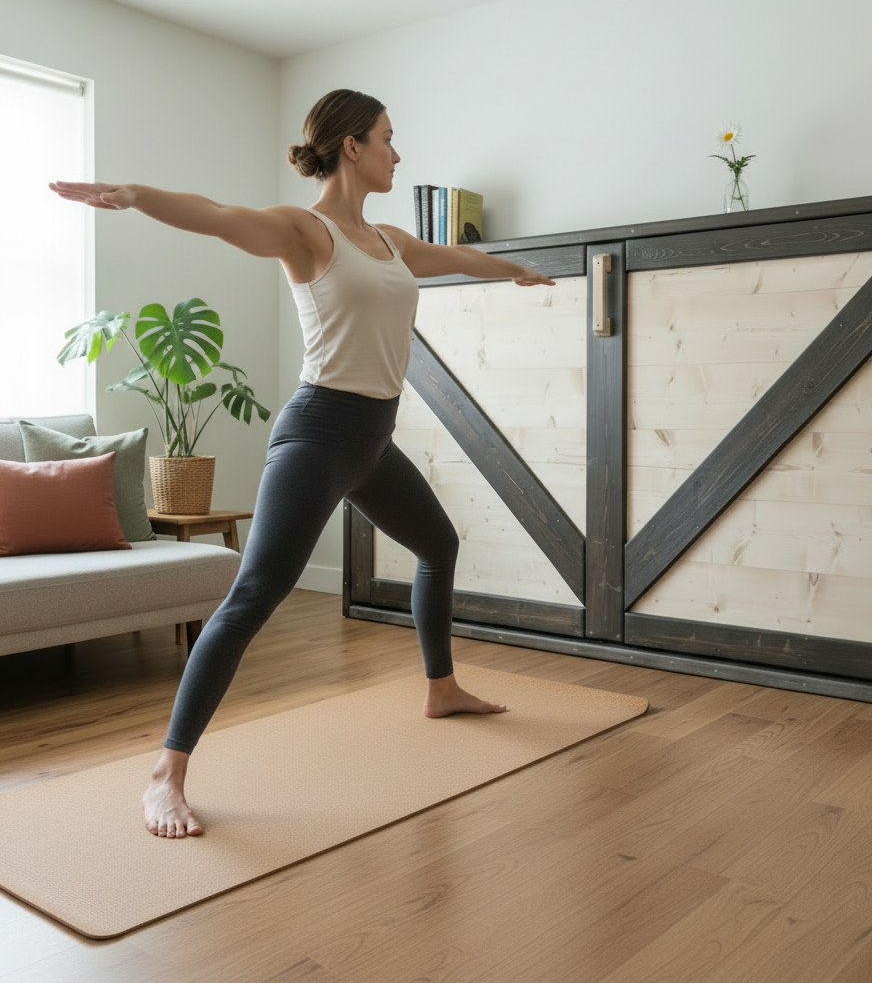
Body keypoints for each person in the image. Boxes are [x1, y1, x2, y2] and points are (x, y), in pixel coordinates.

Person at [50, 88, 556, 839]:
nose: (396, 151)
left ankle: (441, 687)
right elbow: (219, 217)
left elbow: (454, 256)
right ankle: (167, 772)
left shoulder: (388, 239)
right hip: (318, 435)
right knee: (255, 593)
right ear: (352, 146)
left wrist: (512, 269)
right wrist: (135, 196)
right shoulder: (305, 232)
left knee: (438, 545)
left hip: (372, 441)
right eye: (388, 138)